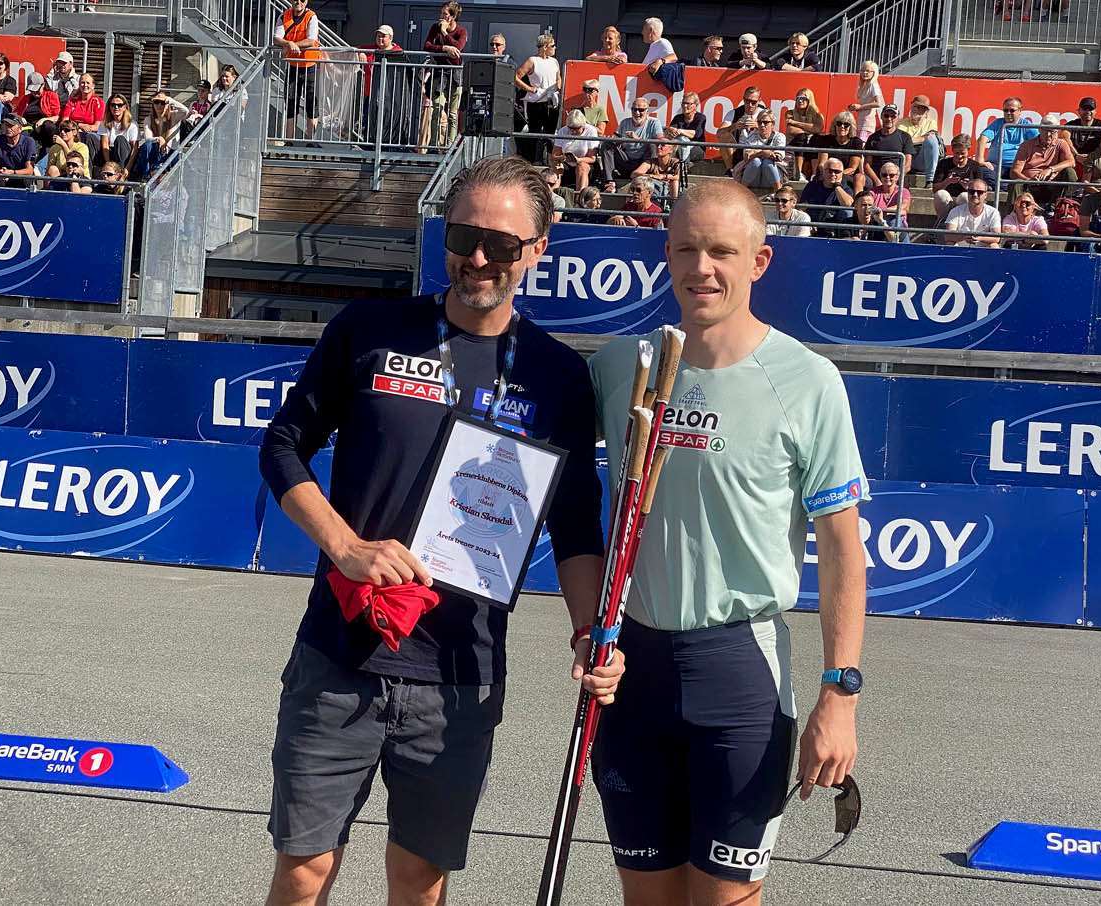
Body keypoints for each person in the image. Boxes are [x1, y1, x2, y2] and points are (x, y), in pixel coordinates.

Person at [259, 154, 618, 906]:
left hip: (460, 671)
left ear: (538, 249)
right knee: (304, 870)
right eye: (462, 237)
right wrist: (345, 547)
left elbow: (576, 523)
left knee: (420, 881)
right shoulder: (369, 329)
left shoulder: (556, 375)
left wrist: (591, 633)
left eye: (502, 244)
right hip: (342, 652)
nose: (478, 258)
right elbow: (283, 446)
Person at [589, 177, 867, 906]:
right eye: (685, 249)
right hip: (632, 670)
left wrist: (840, 694)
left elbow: (843, 551)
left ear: (759, 261)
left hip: (740, 674)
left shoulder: (807, 381)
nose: (701, 268)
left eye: (721, 251)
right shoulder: (623, 367)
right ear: (666, 254)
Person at [420, 2, 466, 150]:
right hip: (440, 74)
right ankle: (434, 146)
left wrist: (445, 33)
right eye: (441, 13)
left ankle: (450, 147)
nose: (441, 16)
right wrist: (444, 48)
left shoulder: (461, 31)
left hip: (455, 74)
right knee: (437, 110)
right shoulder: (435, 27)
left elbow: (457, 49)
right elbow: (427, 45)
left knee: (453, 114)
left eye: (445, 14)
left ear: (453, 16)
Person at [274, 0, 322, 142]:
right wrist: (288, 43)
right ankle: (289, 141)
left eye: (302, 0)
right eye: (296, 0)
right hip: (293, 65)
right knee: (290, 101)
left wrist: (292, 45)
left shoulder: (311, 16)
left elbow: (311, 40)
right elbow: (276, 38)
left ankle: (311, 141)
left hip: (310, 65)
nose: (298, 2)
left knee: (311, 102)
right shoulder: (283, 16)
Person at [1008, 114, 1077, 207]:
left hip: (1052, 185)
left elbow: (1071, 162)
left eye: (1052, 132)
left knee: (1070, 172)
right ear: (1039, 130)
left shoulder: (1061, 143)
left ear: (1057, 131)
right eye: (1045, 131)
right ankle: (1014, 213)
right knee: (1016, 183)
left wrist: (1050, 169)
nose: (1048, 135)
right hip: (1029, 186)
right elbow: (1014, 172)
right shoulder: (1026, 145)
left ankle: (1060, 207)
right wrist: (1029, 180)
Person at [515, 33, 561, 165]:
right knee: (535, 132)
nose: (555, 48)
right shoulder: (532, 60)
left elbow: (558, 77)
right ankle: (535, 160)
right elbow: (516, 76)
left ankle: (551, 161)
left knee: (550, 133)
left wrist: (558, 87)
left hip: (552, 101)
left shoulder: (554, 61)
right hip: (536, 102)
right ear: (545, 47)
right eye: (552, 45)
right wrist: (529, 88)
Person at [932, 133, 996, 221]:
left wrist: (969, 187)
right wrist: (947, 181)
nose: (959, 156)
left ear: (968, 150)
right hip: (948, 199)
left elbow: (981, 192)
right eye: (956, 153)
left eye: (962, 153)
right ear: (952, 150)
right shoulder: (943, 163)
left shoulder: (975, 166)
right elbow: (935, 189)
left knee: (964, 196)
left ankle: (963, 223)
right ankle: (943, 222)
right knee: (940, 194)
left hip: (965, 200)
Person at [604, 98, 662, 189]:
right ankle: (610, 182)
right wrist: (615, 140)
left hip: (644, 163)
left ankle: (646, 178)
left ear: (647, 111)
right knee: (606, 144)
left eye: (641, 110)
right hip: (626, 160)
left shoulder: (654, 122)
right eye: (634, 109)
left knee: (653, 145)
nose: (637, 113)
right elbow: (616, 139)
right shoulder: (624, 122)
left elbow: (661, 142)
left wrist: (638, 139)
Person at [976, 96, 1038, 179]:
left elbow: (1040, 141)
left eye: (1012, 110)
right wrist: (980, 161)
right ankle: (1005, 185)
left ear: (1020, 111)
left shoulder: (1026, 125)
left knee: (1028, 175)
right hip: (995, 166)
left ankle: (1005, 185)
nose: (1008, 113)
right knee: (981, 171)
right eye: (1005, 110)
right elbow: (982, 139)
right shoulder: (997, 123)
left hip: (1018, 168)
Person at [800, 157, 855, 237]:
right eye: (830, 171)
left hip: (835, 229)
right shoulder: (812, 185)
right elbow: (802, 208)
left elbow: (847, 204)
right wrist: (808, 224)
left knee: (847, 211)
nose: (833, 174)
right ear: (823, 171)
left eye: (837, 172)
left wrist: (837, 186)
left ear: (842, 174)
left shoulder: (846, 187)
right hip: (813, 226)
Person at [860, 104, 912, 188]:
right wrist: (877, 182)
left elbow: (907, 165)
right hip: (876, 180)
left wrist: (894, 179)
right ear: (881, 116)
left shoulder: (905, 137)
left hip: (896, 179)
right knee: (859, 178)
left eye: (893, 116)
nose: (889, 119)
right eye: (886, 116)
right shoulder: (872, 138)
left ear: (898, 118)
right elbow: (867, 165)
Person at [732, 111, 787, 190]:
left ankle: (778, 190)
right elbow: (746, 156)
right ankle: (742, 190)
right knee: (756, 161)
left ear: (772, 124)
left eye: (765, 122)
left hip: (772, 177)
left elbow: (778, 156)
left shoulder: (780, 136)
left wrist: (755, 152)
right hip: (754, 177)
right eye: (759, 122)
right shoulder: (752, 135)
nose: (762, 125)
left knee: (767, 162)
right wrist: (762, 153)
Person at [814, 111, 865, 193]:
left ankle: (856, 200)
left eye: (846, 124)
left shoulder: (856, 142)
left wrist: (837, 175)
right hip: (827, 173)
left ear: (851, 127)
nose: (842, 126)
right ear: (835, 125)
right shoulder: (825, 140)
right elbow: (822, 164)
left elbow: (852, 168)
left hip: (847, 175)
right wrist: (830, 174)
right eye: (839, 123)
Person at [896, 94, 942, 185]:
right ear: (911, 106)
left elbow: (930, 139)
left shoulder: (931, 122)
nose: (917, 110)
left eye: (922, 108)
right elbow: (900, 142)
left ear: (926, 112)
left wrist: (910, 141)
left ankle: (930, 180)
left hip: (922, 159)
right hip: (907, 159)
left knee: (932, 139)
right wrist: (922, 138)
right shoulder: (901, 123)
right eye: (916, 107)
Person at [942, 178, 1002, 246]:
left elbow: (997, 238)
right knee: (949, 243)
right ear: (968, 193)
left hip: (983, 249)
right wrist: (964, 237)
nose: (975, 195)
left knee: (994, 245)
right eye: (971, 191)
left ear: (985, 195)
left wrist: (979, 238)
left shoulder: (993, 212)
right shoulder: (955, 211)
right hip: (960, 249)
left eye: (979, 192)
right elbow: (948, 236)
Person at [552, 108, 600, 191]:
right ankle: (553, 193)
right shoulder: (563, 131)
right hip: (566, 163)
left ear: (583, 125)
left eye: (576, 128)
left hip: (586, 163)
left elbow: (592, 158)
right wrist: (562, 158)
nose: (573, 131)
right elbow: (554, 155)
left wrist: (578, 160)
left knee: (582, 166)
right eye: (570, 128)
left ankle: (580, 194)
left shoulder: (591, 131)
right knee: (556, 166)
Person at [0, 115, 40, 187]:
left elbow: (29, 170)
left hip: (21, 176)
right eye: (6, 125)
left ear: (20, 129)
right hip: (4, 176)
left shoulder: (29, 142)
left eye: (11, 126)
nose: (8, 128)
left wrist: (12, 172)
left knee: (26, 180)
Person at [785, 89, 824, 180]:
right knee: (802, 137)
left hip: (811, 143)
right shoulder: (790, 113)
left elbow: (818, 129)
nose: (800, 101)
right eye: (798, 98)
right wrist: (809, 131)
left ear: (810, 100)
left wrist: (795, 122)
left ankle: (814, 174)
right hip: (794, 142)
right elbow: (791, 130)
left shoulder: (818, 115)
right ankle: (799, 173)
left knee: (816, 138)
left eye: (803, 98)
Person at [98, 93, 138, 171]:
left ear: (124, 107)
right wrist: (108, 165)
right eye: (113, 105)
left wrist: (127, 168)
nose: (116, 107)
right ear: (109, 107)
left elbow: (135, 148)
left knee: (120, 139)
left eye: (119, 105)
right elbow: (105, 145)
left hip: (126, 157)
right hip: (111, 153)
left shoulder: (132, 124)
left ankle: (120, 172)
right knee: (91, 137)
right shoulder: (104, 123)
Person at [870, 161, 911, 238]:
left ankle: (894, 240)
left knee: (894, 220)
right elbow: (870, 208)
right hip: (877, 226)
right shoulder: (873, 192)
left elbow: (903, 207)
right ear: (880, 176)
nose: (888, 177)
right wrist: (892, 212)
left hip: (897, 228)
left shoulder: (903, 191)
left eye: (891, 175)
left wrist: (881, 212)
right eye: (884, 175)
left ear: (897, 177)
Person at [665, 91, 707, 163]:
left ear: (695, 105)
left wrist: (680, 131)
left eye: (688, 103)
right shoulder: (678, 117)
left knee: (683, 146)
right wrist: (671, 131)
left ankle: (683, 167)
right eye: (683, 103)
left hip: (697, 148)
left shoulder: (701, 117)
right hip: (679, 147)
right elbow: (671, 130)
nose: (685, 106)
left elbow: (696, 134)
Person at [847, 60, 883, 140]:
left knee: (861, 144)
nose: (864, 73)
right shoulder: (864, 85)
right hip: (861, 122)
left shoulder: (873, 85)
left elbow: (878, 103)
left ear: (874, 73)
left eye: (868, 71)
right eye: (862, 70)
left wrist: (860, 107)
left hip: (867, 124)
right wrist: (855, 107)